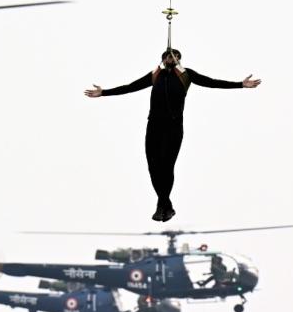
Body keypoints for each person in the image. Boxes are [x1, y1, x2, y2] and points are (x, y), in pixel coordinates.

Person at [85, 48, 260, 222]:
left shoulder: (186, 75)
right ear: (163, 59)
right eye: (169, 56)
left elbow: (212, 82)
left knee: (167, 167)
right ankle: (165, 205)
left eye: (176, 56)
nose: (172, 58)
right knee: (153, 168)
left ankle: (162, 205)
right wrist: (104, 92)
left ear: (179, 60)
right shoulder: (155, 75)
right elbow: (130, 87)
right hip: (154, 126)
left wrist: (240, 84)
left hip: (174, 128)